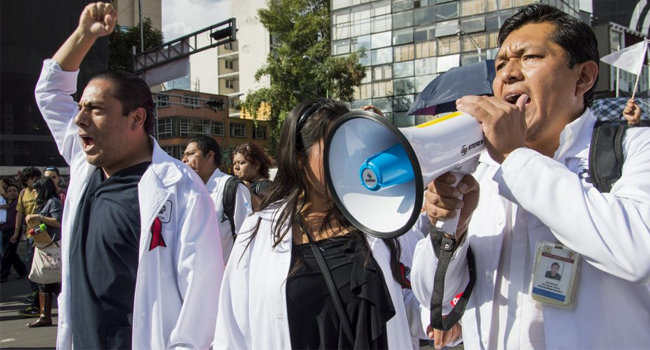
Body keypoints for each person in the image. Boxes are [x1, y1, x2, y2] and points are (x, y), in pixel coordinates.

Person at [411, 4, 650, 349]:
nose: (508, 74)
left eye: (529, 57)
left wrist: (514, 156)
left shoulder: (634, 148)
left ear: (583, 77)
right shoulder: (483, 169)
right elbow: (431, 294)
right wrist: (451, 229)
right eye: (500, 65)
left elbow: (637, 254)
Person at [34, 3, 223, 348]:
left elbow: (201, 308)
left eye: (96, 109)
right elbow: (50, 92)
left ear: (136, 119)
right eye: (80, 109)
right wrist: (84, 34)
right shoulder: (84, 163)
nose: (79, 120)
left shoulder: (179, 189)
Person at [213, 99, 426, 349]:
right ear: (299, 159)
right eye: (336, 147)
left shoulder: (383, 219)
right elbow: (233, 335)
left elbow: (417, 304)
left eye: (353, 147)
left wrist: (448, 230)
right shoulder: (258, 231)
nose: (349, 159)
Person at [183, 135, 251, 262]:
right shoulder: (188, 192)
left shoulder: (231, 188)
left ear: (210, 156)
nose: (184, 160)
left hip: (226, 276)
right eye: (184, 155)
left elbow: (247, 237)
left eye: (191, 154)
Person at [24, 177, 62, 328]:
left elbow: (58, 221)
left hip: (54, 246)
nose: (33, 193)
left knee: (56, 280)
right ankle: (44, 315)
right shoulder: (43, 203)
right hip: (44, 245)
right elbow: (44, 226)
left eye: (36, 190)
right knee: (43, 281)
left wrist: (38, 217)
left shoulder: (53, 202)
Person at [13, 167, 43, 317]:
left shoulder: (43, 191)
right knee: (31, 265)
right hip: (30, 234)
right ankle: (36, 295)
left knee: (41, 268)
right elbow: (20, 214)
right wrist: (16, 232)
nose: (35, 181)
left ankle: (39, 301)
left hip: (42, 234)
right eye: (32, 178)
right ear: (26, 180)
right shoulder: (23, 193)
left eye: (37, 177)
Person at [232, 142, 274, 210]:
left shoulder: (265, 185)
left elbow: (268, 211)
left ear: (256, 165)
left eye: (241, 163)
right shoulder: (238, 184)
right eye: (234, 163)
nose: (236, 167)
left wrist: (249, 193)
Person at [0, 182, 27, 282]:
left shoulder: (18, 202)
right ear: (6, 193)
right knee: (11, 254)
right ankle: (22, 271)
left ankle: (3, 275)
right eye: (10, 191)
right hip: (4, 231)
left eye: (14, 191)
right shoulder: (5, 203)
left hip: (14, 231)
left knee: (7, 253)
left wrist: (16, 233)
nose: (12, 193)